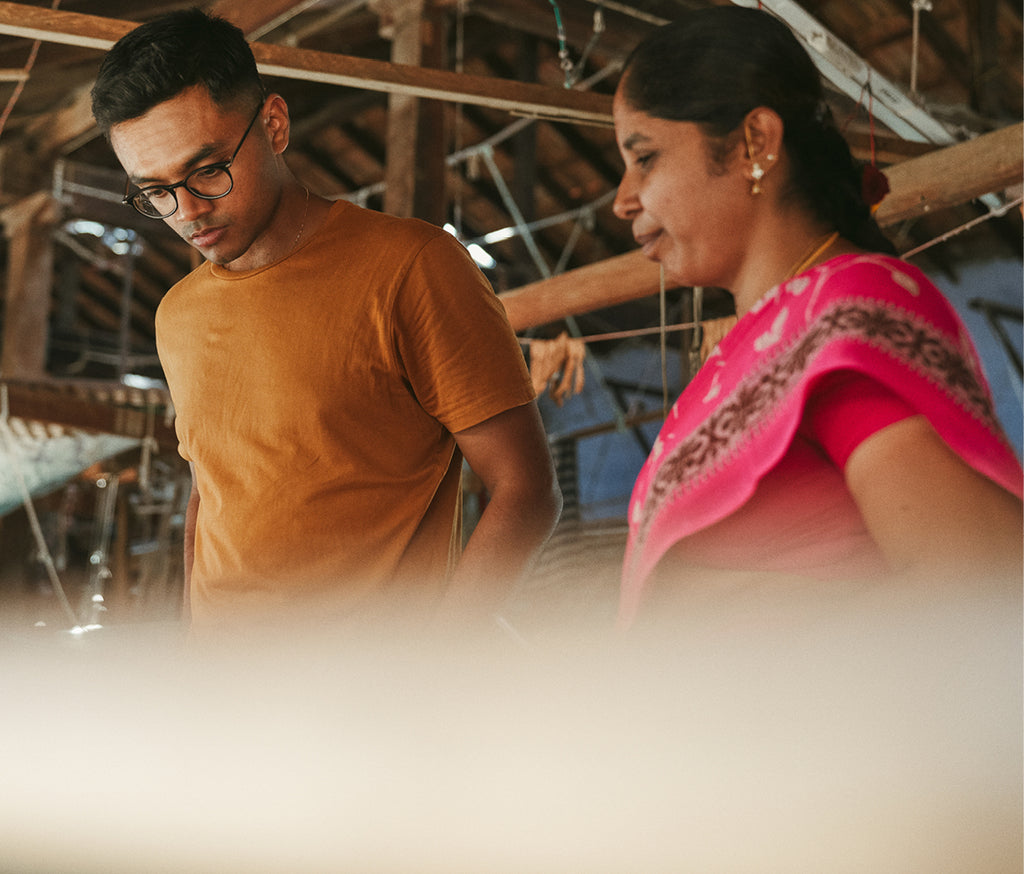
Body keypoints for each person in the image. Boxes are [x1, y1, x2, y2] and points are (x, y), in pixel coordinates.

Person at [89, 9, 561, 634]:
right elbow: (214, 492)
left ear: (275, 125)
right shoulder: (177, 314)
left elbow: (525, 491)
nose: (188, 210)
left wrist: (441, 663)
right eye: (155, 192)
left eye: (207, 170)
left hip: (366, 690)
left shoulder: (412, 267)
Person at [611, 7, 1023, 626]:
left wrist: (732, 630)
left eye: (644, 158)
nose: (622, 199)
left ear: (755, 142)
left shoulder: (847, 313)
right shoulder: (761, 342)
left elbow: (981, 585)